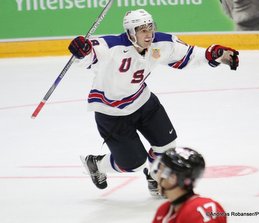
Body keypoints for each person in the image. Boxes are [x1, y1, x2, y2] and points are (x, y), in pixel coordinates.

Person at [68, 9, 239, 197]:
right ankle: (97, 163)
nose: (148, 33)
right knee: (134, 165)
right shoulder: (111, 47)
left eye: (150, 27)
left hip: (143, 102)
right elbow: (89, 55)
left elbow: (188, 55)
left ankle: (153, 175)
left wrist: (213, 55)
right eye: (142, 30)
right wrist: (81, 51)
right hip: (111, 113)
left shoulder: (160, 44)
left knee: (167, 147)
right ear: (131, 33)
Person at [151, 147, 227, 223]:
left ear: (172, 178)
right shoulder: (164, 210)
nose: (157, 174)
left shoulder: (200, 211)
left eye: (161, 170)